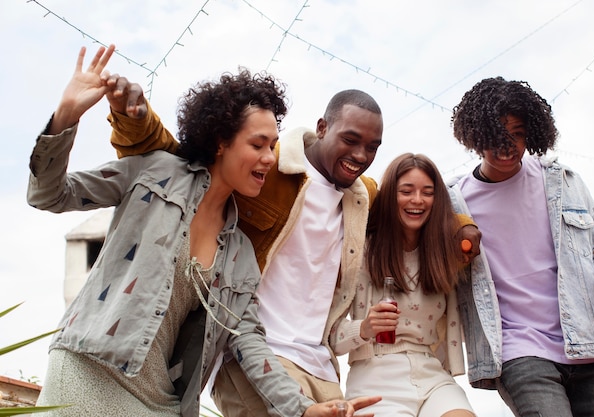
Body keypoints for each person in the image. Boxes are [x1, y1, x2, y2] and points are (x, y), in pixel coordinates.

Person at [27, 44, 380, 417]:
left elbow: (248, 340)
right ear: (220, 142)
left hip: (161, 397)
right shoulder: (155, 173)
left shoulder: (239, 250)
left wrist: (303, 409)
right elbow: (50, 194)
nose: (268, 157)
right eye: (257, 144)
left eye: (273, 146)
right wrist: (67, 115)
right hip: (89, 367)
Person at [104, 75, 481, 416]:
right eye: (350, 140)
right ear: (322, 128)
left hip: (320, 362)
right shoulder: (270, 168)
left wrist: (463, 230)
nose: (361, 156)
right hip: (255, 352)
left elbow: (412, 210)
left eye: (372, 147)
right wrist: (133, 120)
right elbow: (185, 162)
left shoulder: (362, 197)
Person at [447, 76, 594, 417]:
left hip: (586, 343)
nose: (508, 145)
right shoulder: (456, 201)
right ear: (475, 136)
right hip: (518, 350)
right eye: (496, 135)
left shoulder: (564, 182)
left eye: (517, 134)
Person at [330, 153, 475, 417]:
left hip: (433, 376)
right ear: (389, 197)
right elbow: (329, 336)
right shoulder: (361, 251)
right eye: (406, 191)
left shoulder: (443, 255)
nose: (417, 200)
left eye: (427, 192)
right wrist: (364, 328)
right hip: (375, 378)